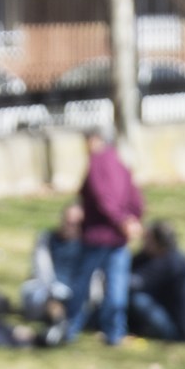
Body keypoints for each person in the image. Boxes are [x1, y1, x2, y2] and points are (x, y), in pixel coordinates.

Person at [64, 128, 143, 347]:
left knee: (81, 285)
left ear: (95, 140)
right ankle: (115, 332)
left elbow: (102, 196)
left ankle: (70, 327)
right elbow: (135, 196)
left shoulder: (98, 162)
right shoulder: (120, 162)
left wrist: (122, 221)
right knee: (116, 287)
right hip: (119, 238)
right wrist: (133, 220)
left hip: (98, 237)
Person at [127, 220, 185, 343]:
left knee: (138, 300)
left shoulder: (171, 262)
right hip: (180, 323)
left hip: (181, 331)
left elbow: (135, 282)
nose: (144, 243)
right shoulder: (162, 257)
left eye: (148, 239)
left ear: (158, 243)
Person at [19, 203, 84, 326]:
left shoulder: (85, 246)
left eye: (74, 224)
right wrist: (51, 288)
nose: (69, 226)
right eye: (67, 221)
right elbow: (41, 270)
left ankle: (59, 320)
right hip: (47, 288)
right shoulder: (47, 239)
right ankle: (57, 319)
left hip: (73, 292)